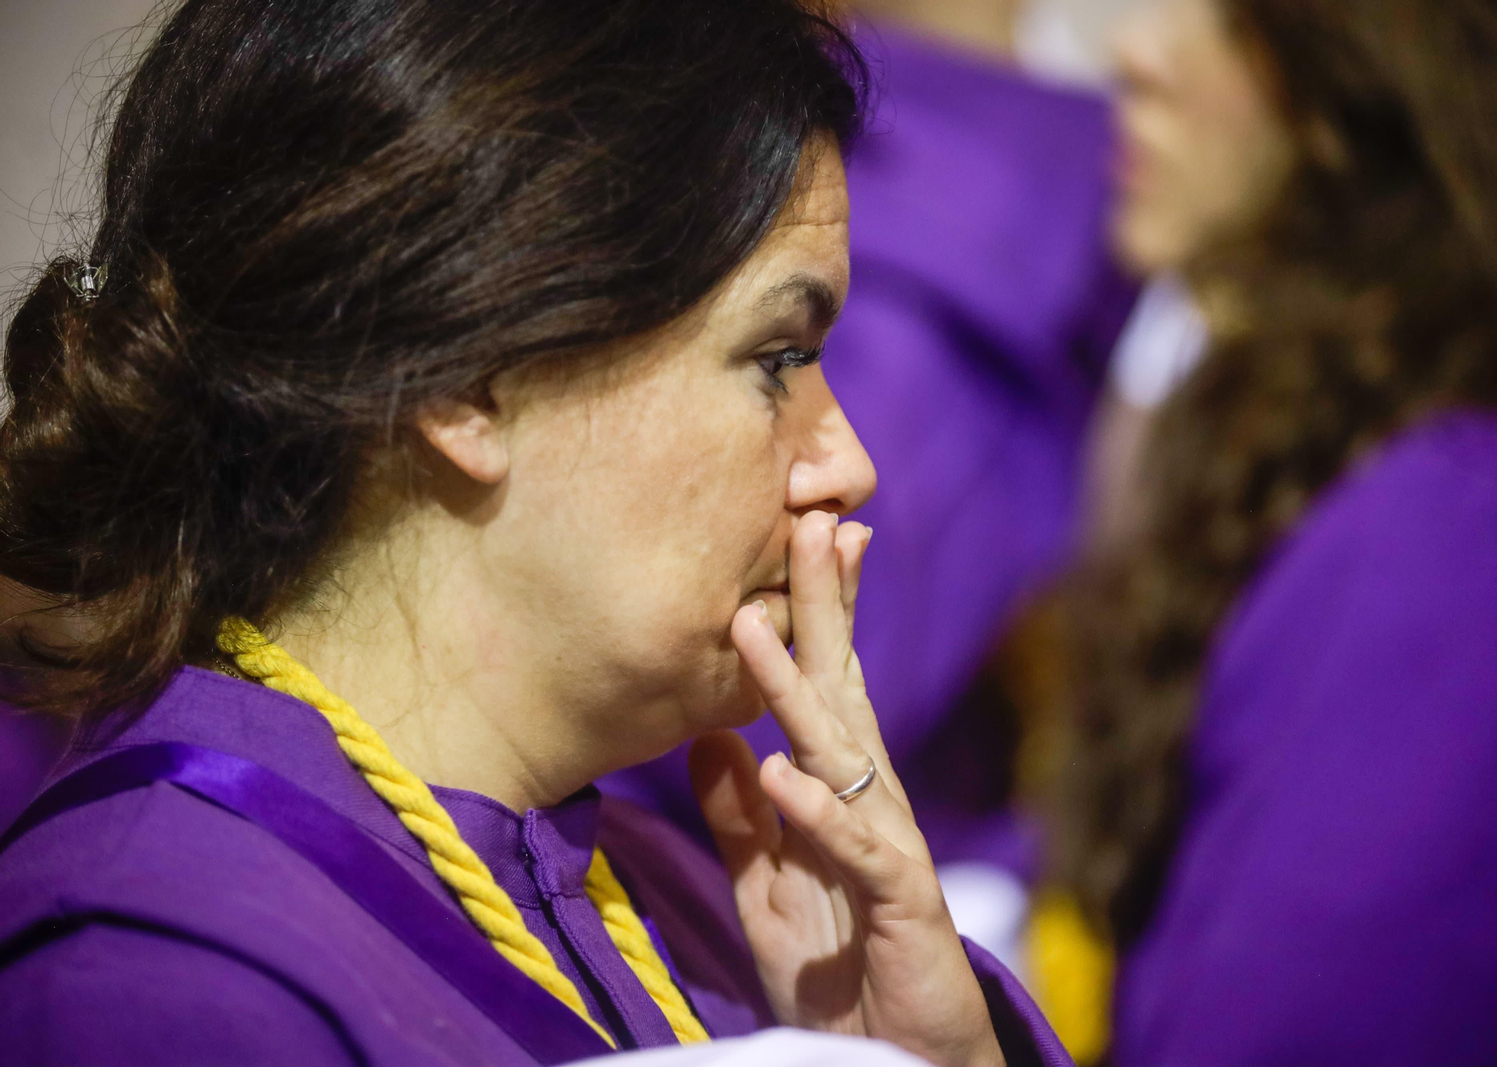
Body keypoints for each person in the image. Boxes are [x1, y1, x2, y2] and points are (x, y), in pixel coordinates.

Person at [0, 2, 1068, 1065]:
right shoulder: (161, 977)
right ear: (469, 379)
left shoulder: (697, 910)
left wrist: (935, 1052)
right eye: (778, 355)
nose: (848, 464)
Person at [1058, 0, 1497, 1063]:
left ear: (1360, 87)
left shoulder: (1464, 556)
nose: (1134, 52)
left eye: (1218, 12)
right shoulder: (1379, 452)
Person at [602, 3, 1137, 980]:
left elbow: (787, 705)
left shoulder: (929, 284)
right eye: (775, 362)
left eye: (792, 356)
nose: (847, 466)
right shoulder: (980, 238)